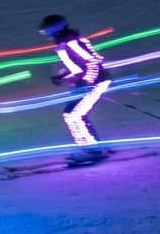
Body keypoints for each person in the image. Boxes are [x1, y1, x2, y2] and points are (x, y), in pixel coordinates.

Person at [39, 14, 112, 164]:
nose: (46, 35)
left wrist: (87, 81)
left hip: (93, 82)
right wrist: (62, 76)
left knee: (72, 114)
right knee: (75, 114)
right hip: (89, 82)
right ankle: (95, 147)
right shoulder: (65, 43)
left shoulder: (71, 42)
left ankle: (92, 150)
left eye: (46, 31)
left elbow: (93, 61)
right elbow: (77, 66)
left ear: (55, 29)